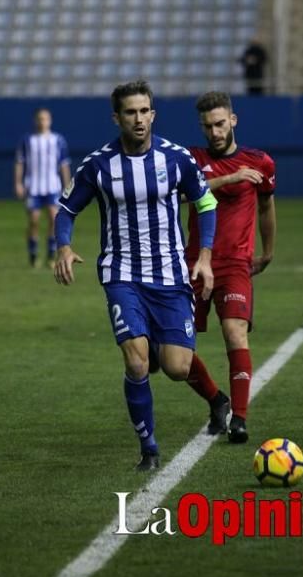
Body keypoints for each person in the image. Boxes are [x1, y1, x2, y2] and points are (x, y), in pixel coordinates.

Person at [52, 80, 218, 471]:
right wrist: (63, 245)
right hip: (121, 273)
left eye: (144, 111)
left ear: (153, 114)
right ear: (117, 117)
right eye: (130, 112)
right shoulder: (98, 165)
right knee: (138, 364)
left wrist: (206, 255)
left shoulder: (176, 159)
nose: (139, 119)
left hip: (170, 273)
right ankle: (149, 447)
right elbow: (66, 208)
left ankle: (177, 362)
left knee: (178, 367)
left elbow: (205, 202)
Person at [183, 91, 276, 444]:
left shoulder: (260, 162)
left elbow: (267, 207)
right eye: (208, 126)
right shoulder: (192, 159)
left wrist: (268, 251)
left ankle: (239, 418)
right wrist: (227, 179)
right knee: (173, 351)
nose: (215, 132)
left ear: (233, 120)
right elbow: (180, 194)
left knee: (235, 332)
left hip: (236, 262)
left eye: (220, 123)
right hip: (194, 263)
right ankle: (215, 399)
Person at [15, 108, 72, 268]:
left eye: (45, 119)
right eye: (40, 119)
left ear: (50, 120)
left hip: (52, 186)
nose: (42, 122)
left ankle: (50, 256)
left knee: (54, 219)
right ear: (35, 121)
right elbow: (20, 162)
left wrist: (67, 186)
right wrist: (18, 183)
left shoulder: (58, 140)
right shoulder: (27, 140)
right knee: (34, 221)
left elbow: (64, 165)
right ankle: (33, 255)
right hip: (33, 187)